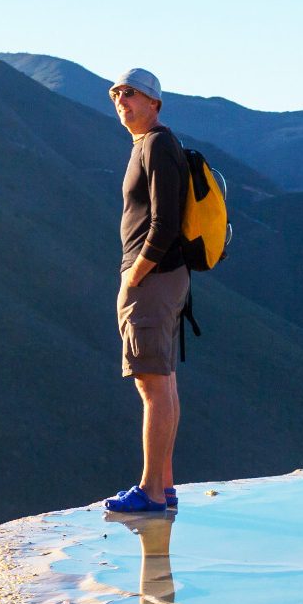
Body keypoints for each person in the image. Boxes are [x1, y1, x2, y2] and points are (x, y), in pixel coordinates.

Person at [103, 67, 187, 519]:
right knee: (162, 381)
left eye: (131, 94)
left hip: (152, 280)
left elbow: (165, 222)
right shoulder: (151, 145)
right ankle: (165, 485)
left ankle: (151, 492)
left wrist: (136, 273)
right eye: (116, 93)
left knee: (151, 384)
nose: (121, 100)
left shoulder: (155, 144)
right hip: (162, 278)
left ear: (154, 102)